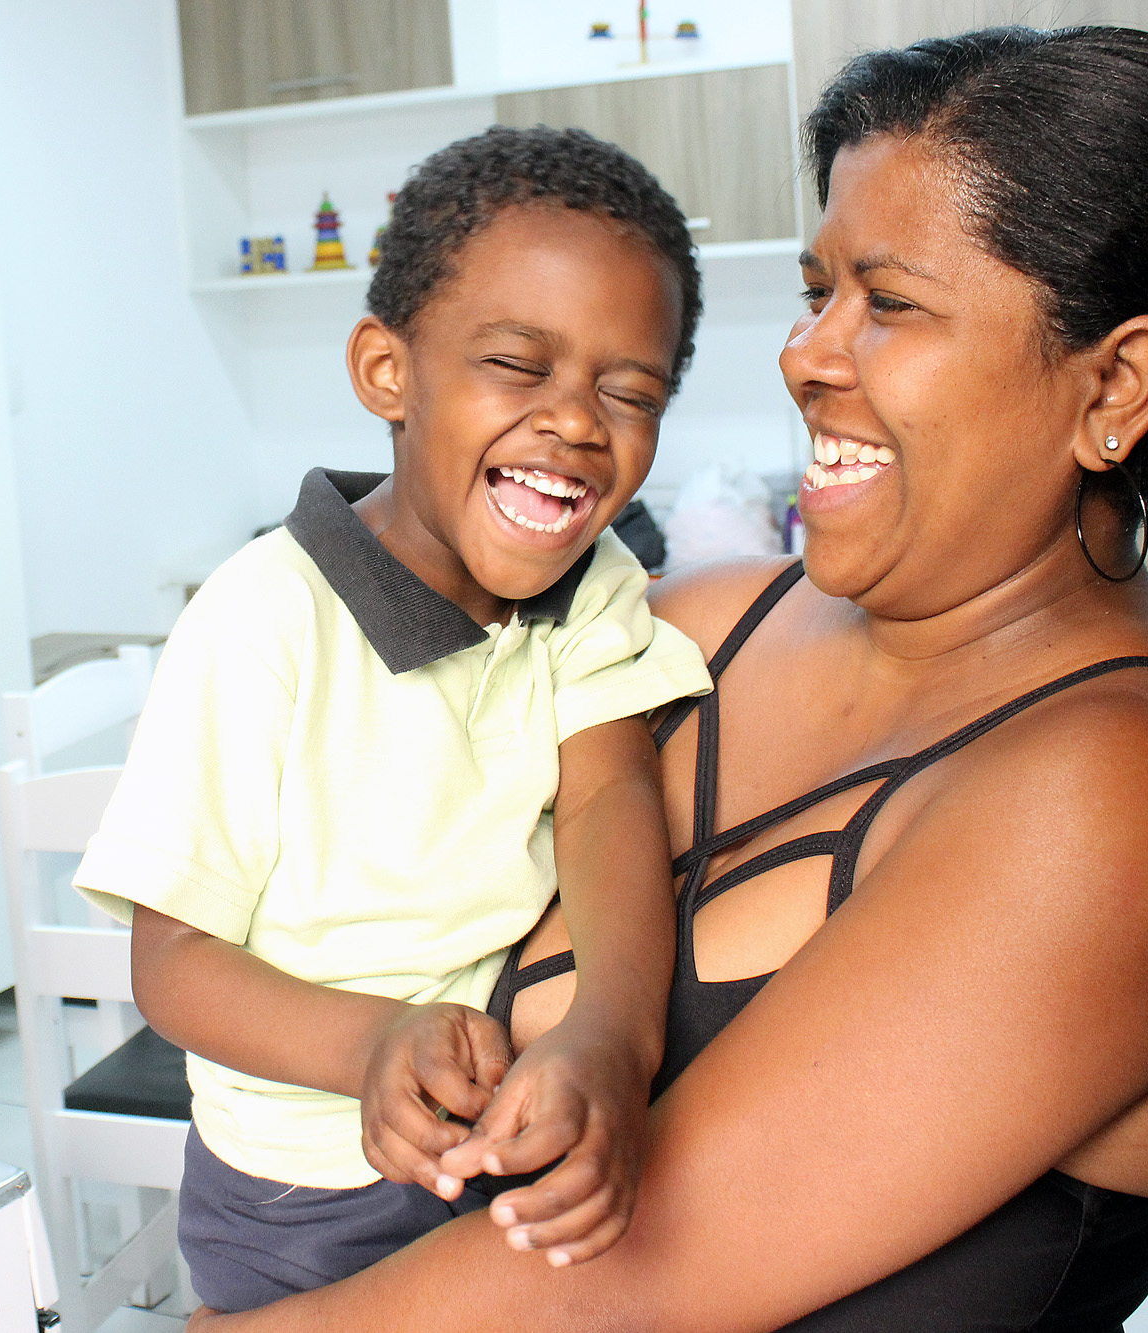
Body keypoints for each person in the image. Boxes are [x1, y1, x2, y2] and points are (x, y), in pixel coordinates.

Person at [194, 25, 1148, 1331]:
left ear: (1115, 382)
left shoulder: (1131, 801)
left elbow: (646, 1267)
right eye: (815, 288)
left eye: (887, 303)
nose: (805, 356)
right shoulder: (701, 624)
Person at [72, 126, 714, 1312]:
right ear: (387, 373)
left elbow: (606, 796)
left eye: (630, 391)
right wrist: (372, 1044)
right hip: (299, 1192)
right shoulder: (260, 617)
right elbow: (170, 967)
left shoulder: (596, 581)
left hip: (509, 1122)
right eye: (519, 366)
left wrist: (612, 1045)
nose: (577, 422)